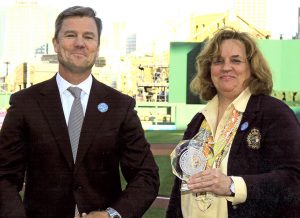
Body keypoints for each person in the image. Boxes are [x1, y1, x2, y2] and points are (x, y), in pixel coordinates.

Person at [0, 6, 159, 218]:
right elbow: (4, 176)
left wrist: (112, 215)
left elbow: (145, 175)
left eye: (88, 36)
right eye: (70, 35)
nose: (80, 43)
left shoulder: (121, 106)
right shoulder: (25, 103)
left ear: (97, 46)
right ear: (56, 43)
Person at [166, 28, 300, 218]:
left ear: (252, 68)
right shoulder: (199, 121)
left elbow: (294, 180)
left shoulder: (274, 113)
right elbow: (178, 190)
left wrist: (231, 185)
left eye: (236, 60)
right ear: (208, 69)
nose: (226, 67)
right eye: (218, 61)